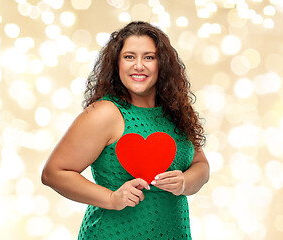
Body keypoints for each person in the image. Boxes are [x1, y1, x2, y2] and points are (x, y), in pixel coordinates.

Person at [41, 21, 209, 239]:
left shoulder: (176, 113)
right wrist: (111, 198)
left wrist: (185, 183)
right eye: (129, 57)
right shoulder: (105, 113)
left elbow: (201, 165)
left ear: (163, 64)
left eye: (149, 57)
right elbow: (53, 173)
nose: (139, 65)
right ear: (117, 64)